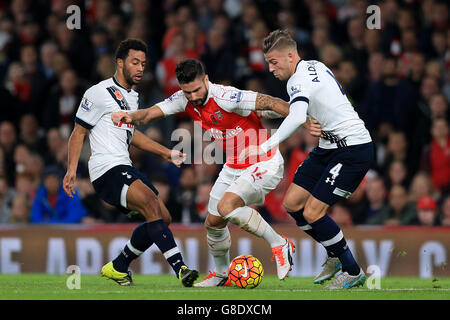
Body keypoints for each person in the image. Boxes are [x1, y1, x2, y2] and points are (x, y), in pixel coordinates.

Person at [112, 58, 322, 287]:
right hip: (233, 165)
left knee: (227, 207)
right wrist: (130, 116)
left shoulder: (226, 96)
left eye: (196, 90)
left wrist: (304, 121)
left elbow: (270, 102)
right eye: (187, 92)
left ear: (206, 80)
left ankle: (279, 243)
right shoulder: (184, 99)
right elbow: (150, 114)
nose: (193, 97)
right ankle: (222, 275)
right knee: (213, 222)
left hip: (263, 162)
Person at [240, 29, 374, 289]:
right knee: (292, 204)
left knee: (313, 211)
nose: (270, 69)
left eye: (274, 62)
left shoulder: (297, 81)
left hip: (353, 148)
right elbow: (319, 104)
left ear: (290, 56)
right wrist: (311, 120)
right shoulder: (316, 65)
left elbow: (298, 113)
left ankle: (352, 270)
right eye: (268, 62)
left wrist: (265, 146)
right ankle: (334, 254)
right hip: (328, 146)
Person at [62, 39, 198, 287]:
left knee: (162, 217)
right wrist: (71, 169)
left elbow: (132, 135)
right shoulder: (98, 92)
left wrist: (165, 153)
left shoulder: (132, 98)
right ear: (120, 62)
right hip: (106, 168)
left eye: (143, 64)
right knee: (149, 202)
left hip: (124, 166)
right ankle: (181, 269)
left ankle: (118, 266)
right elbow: (78, 132)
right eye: (135, 62)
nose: (140, 68)